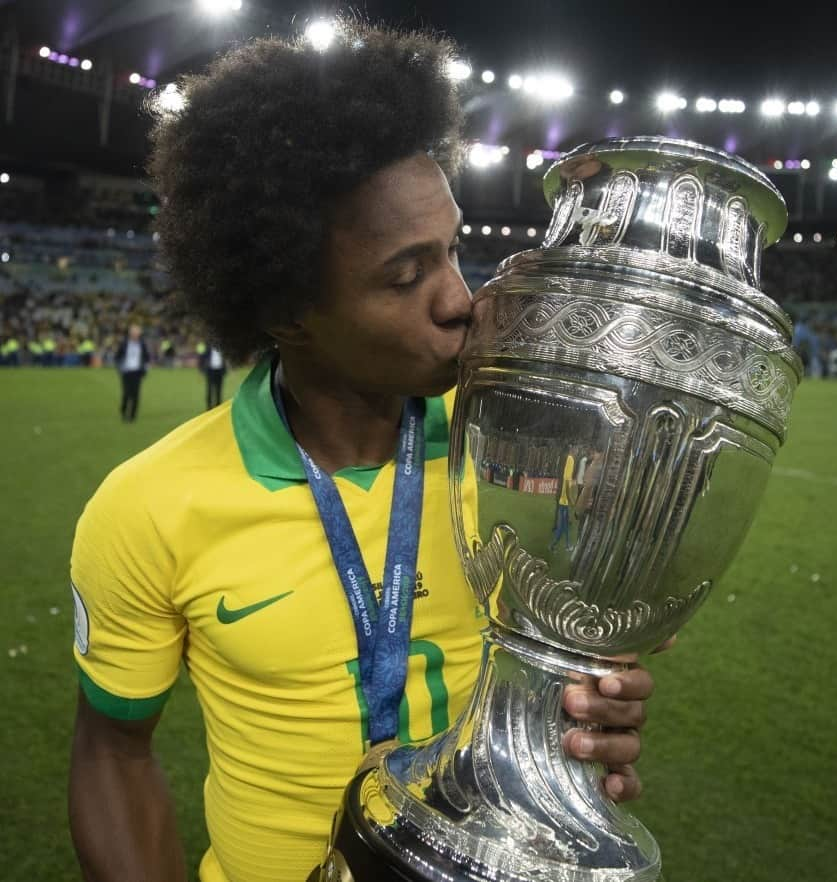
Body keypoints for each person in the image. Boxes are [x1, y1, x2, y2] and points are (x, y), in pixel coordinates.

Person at [68, 24, 660, 882]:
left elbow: (591, 671)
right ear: (284, 310)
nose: (461, 300)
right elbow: (113, 755)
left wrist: (584, 710)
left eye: (453, 251)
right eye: (404, 274)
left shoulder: (529, 458)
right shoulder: (150, 506)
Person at [114, 323, 150, 421]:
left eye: (137, 332)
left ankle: (132, 416)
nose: (135, 334)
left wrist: (145, 369)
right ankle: (123, 412)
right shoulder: (125, 344)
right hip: (126, 372)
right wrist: (120, 367)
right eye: (133, 332)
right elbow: (117, 357)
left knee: (136, 394)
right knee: (126, 393)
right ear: (130, 333)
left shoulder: (142, 344)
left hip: (137, 372)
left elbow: (147, 358)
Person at [199, 344, 227, 409]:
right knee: (209, 389)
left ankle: (218, 405)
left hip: (220, 371)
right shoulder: (208, 347)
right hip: (210, 371)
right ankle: (209, 406)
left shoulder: (222, 348)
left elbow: (225, 359)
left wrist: (225, 370)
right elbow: (203, 357)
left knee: (219, 389)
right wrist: (201, 369)